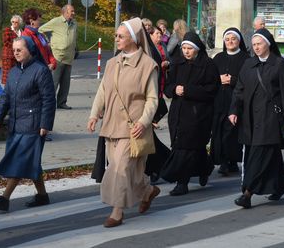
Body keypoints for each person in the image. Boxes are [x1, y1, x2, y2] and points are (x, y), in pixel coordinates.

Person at [87, 18, 160, 228]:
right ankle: (147, 191)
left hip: (133, 129)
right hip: (111, 125)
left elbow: (153, 99)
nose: (116, 39)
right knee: (130, 172)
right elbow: (103, 90)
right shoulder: (112, 63)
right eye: (116, 35)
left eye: (121, 36)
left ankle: (117, 211)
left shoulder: (148, 66)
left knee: (119, 168)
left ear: (134, 39)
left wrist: (144, 122)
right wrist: (94, 114)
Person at [229, 28, 284, 209]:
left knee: (259, 156)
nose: (256, 48)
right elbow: (239, 90)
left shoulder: (279, 64)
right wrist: (234, 110)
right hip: (249, 118)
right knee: (270, 155)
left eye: (259, 44)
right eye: (254, 45)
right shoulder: (248, 64)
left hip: (270, 118)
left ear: (268, 44)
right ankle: (280, 185)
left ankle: (247, 193)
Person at [0, 36, 56, 212]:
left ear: (30, 50)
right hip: (15, 124)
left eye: (20, 49)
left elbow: (49, 99)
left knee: (20, 161)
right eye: (14, 50)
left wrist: (45, 124)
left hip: (33, 126)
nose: (16, 53)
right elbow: (6, 98)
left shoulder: (41, 71)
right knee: (30, 162)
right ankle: (42, 196)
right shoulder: (13, 72)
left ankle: (4, 198)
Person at [161, 32, 219, 196]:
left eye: (189, 49)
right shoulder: (177, 64)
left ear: (197, 49)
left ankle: (182, 182)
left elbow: (212, 90)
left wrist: (188, 90)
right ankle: (204, 168)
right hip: (178, 113)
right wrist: (174, 89)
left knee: (184, 148)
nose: (186, 52)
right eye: (184, 48)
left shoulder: (208, 65)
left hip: (198, 114)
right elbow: (167, 87)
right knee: (194, 147)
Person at [210, 28, 249, 176]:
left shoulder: (246, 59)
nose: (230, 42)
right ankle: (224, 160)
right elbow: (209, 78)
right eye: (227, 39)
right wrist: (218, 79)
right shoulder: (218, 58)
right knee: (219, 131)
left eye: (233, 39)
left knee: (232, 132)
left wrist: (232, 80)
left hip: (236, 101)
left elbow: (248, 80)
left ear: (239, 41)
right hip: (219, 100)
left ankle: (230, 161)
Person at [144, 25, 171, 184]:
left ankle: (159, 166)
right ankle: (164, 163)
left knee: (148, 140)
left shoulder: (151, 53)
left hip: (147, 102)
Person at [39, 5, 77, 110]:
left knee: (65, 83)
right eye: (72, 11)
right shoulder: (56, 21)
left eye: (73, 11)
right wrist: (47, 42)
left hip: (69, 57)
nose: (74, 13)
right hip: (57, 56)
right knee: (54, 82)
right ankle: (48, 103)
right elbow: (40, 30)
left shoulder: (74, 23)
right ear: (65, 12)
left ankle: (62, 102)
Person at [1, 15, 23, 85]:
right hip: (8, 56)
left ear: (19, 23)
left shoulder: (21, 32)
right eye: (12, 22)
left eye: (16, 22)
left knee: (16, 75)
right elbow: (6, 42)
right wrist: (17, 46)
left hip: (18, 57)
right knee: (7, 77)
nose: (14, 23)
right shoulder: (7, 30)